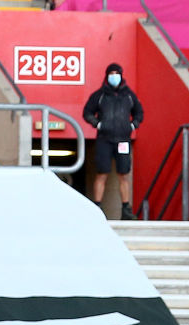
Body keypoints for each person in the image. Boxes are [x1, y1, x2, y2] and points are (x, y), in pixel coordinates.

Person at [82, 62, 143, 220]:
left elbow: (139, 112)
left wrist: (132, 125)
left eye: (117, 73)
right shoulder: (99, 95)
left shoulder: (129, 95)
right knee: (102, 173)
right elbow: (87, 112)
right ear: (106, 76)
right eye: (111, 73)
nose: (114, 76)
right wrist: (98, 124)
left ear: (121, 75)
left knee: (124, 174)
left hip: (123, 139)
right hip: (104, 139)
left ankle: (126, 209)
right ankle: (96, 207)